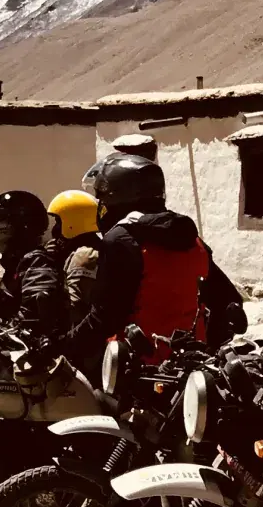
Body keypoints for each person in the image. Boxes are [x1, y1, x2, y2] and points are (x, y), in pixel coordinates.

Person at [73, 156, 247, 366]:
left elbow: (104, 319)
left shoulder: (120, 240)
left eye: (103, 198)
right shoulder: (191, 238)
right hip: (189, 368)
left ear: (118, 197)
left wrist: (63, 347)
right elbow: (226, 300)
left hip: (137, 370)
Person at [0, 189, 65, 348]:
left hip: (25, 357)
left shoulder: (37, 263)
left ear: (20, 227)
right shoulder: (16, 263)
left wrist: (7, 329)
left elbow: (33, 318)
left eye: (1, 225)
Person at [46, 190, 104, 374]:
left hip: (83, 353)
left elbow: (75, 307)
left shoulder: (83, 255)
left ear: (72, 223)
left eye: (58, 222)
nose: (55, 230)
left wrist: (64, 345)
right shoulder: (89, 248)